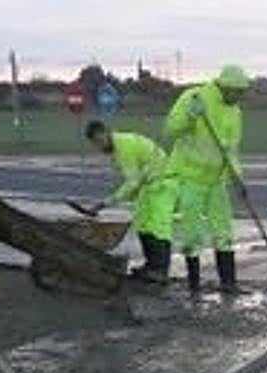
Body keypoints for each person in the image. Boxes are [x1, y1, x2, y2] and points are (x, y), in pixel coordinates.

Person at [164, 64, 251, 294]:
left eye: (243, 92)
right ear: (224, 86)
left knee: (224, 231)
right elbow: (170, 130)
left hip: (216, 180)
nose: (240, 97)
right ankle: (194, 285)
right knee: (191, 234)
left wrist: (238, 179)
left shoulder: (235, 112)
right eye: (237, 92)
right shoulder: (194, 97)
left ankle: (228, 282)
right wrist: (190, 118)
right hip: (189, 177)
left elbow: (231, 151)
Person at [84, 120, 176, 283]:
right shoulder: (117, 148)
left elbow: (132, 183)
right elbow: (135, 183)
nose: (100, 145)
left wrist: (106, 203)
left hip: (162, 183)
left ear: (107, 132)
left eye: (101, 140)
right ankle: (151, 266)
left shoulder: (123, 146)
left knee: (158, 227)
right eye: (96, 143)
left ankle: (161, 270)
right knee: (142, 225)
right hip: (149, 185)